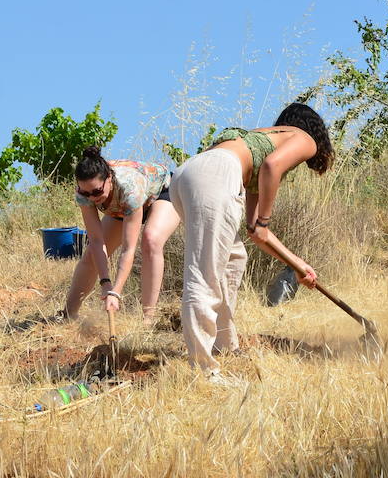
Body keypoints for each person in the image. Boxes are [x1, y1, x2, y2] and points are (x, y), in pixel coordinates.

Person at [170, 102, 334, 380]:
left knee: (234, 258)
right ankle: (203, 371)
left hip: (188, 173)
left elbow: (257, 233)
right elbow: (273, 167)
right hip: (215, 175)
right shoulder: (304, 138)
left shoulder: (256, 143)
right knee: (204, 276)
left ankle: (225, 344)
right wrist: (266, 220)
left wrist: (297, 265)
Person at [62, 147, 181, 325]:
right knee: (90, 256)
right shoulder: (85, 193)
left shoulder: (129, 188)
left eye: (96, 192)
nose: (92, 198)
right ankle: (68, 315)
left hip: (162, 191)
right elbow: (96, 241)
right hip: (121, 207)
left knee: (150, 241)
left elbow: (128, 249)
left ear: (109, 178)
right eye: (87, 193)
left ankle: (148, 319)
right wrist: (106, 284)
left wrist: (115, 292)